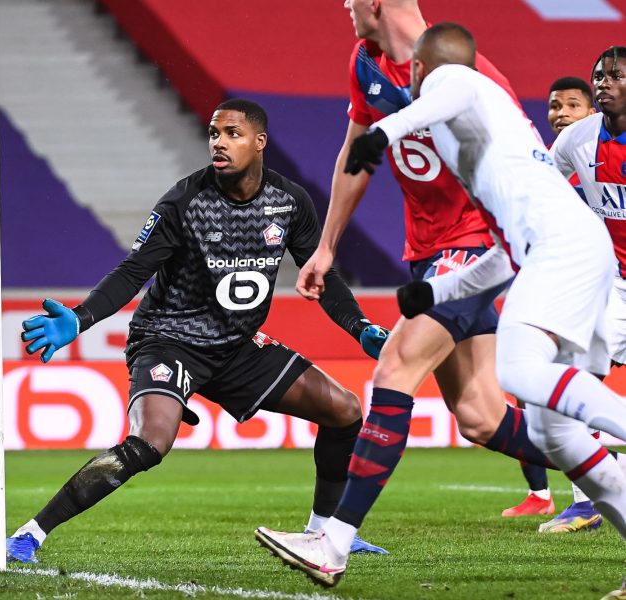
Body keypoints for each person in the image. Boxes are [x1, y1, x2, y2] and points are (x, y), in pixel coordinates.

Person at [256, 24, 626, 591]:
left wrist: (384, 133)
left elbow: (451, 89)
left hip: (562, 250)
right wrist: (435, 294)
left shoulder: (453, 84)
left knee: (443, 368)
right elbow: (503, 253)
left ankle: (330, 542)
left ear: (421, 74)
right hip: (552, 248)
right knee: (512, 421)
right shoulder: (475, 148)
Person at [5, 99, 393, 564]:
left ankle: (322, 534)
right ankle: (30, 534)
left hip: (237, 345)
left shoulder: (289, 202)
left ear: (259, 142)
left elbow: (321, 276)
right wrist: (81, 318)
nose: (219, 143)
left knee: (346, 410)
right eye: (214, 133)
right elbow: (133, 272)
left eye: (232, 133)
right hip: (170, 339)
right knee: (151, 442)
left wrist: (359, 326)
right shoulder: (185, 201)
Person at [295, 0, 558, 540]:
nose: (344, 6)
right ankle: (609, 469)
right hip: (426, 252)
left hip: (474, 245)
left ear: (375, 3)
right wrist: (326, 247)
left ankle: (333, 538)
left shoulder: (475, 76)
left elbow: (532, 165)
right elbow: (356, 155)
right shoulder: (365, 62)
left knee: (394, 368)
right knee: (481, 415)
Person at [503, 76, 603, 530]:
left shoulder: (601, 161)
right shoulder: (556, 173)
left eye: (572, 106)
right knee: (567, 387)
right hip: (592, 291)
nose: (561, 114)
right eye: (554, 106)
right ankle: (585, 498)